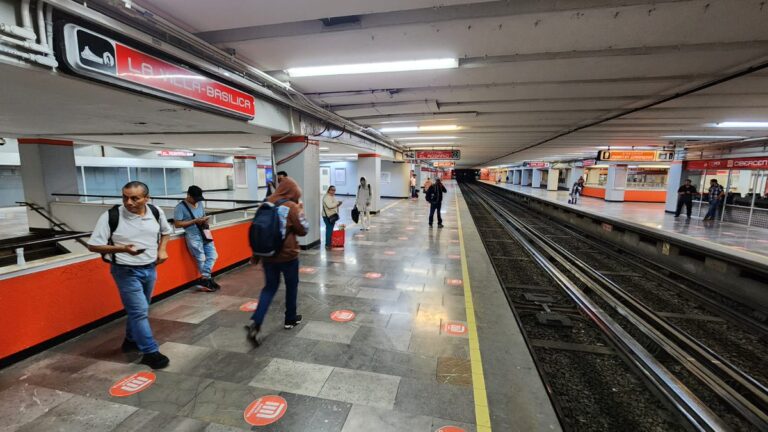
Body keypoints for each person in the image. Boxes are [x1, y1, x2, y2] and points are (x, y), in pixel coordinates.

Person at [87, 181, 172, 369]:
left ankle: (130, 340)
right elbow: (93, 245)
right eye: (125, 197)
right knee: (139, 311)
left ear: (146, 198)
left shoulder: (156, 212)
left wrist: (162, 250)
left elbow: (166, 232)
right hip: (125, 270)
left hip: (150, 267)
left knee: (141, 309)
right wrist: (122, 248)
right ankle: (150, 352)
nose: (129, 202)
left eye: (135, 198)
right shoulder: (111, 215)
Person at [247, 177, 309, 344]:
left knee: (269, 288)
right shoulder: (292, 207)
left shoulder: (265, 204)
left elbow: (258, 231)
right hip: (288, 256)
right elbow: (304, 230)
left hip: (268, 255)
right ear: (293, 192)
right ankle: (290, 318)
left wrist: (256, 254)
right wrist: (300, 210)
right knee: (291, 286)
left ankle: (257, 321)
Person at [174, 185, 219, 291]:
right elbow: (177, 224)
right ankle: (207, 279)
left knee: (213, 255)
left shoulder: (199, 203)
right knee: (201, 258)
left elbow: (202, 215)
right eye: (195, 198)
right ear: (188, 195)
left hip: (205, 232)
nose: (196, 201)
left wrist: (204, 220)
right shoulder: (180, 207)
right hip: (193, 236)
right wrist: (194, 221)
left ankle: (204, 278)